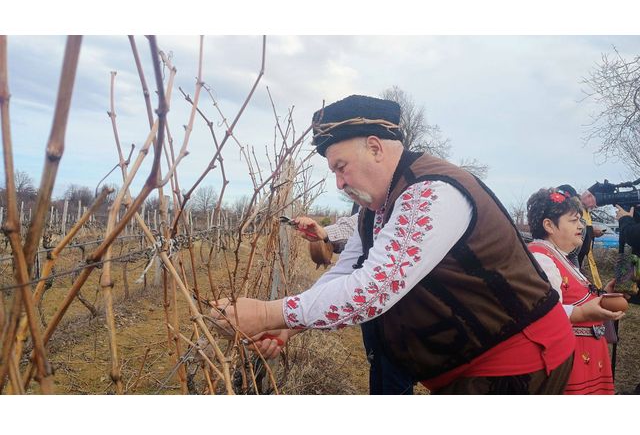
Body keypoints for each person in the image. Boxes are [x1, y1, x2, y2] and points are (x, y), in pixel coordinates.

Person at [213, 94, 576, 394]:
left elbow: (372, 290)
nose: (339, 183)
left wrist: (267, 314)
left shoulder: (431, 193)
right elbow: (346, 270)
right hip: (473, 369)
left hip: (520, 363)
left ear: (374, 147)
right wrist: (292, 325)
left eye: (341, 167)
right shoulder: (376, 208)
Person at [294, 213, 415, 394]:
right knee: (377, 364)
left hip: (402, 316)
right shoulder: (370, 210)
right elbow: (357, 227)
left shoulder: (415, 202)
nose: (341, 184)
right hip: (374, 318)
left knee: (394, 375)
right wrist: (290, 318)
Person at [526, 187, 625, 394]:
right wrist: (582, 313)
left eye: (580, 220)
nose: (581, 226)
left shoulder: (559, 256)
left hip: (587, 355)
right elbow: (543, 312)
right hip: (572, 358)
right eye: (573, 221)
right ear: (549, 225)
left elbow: (575, 297)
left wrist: (604, 296)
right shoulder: (541, 258)